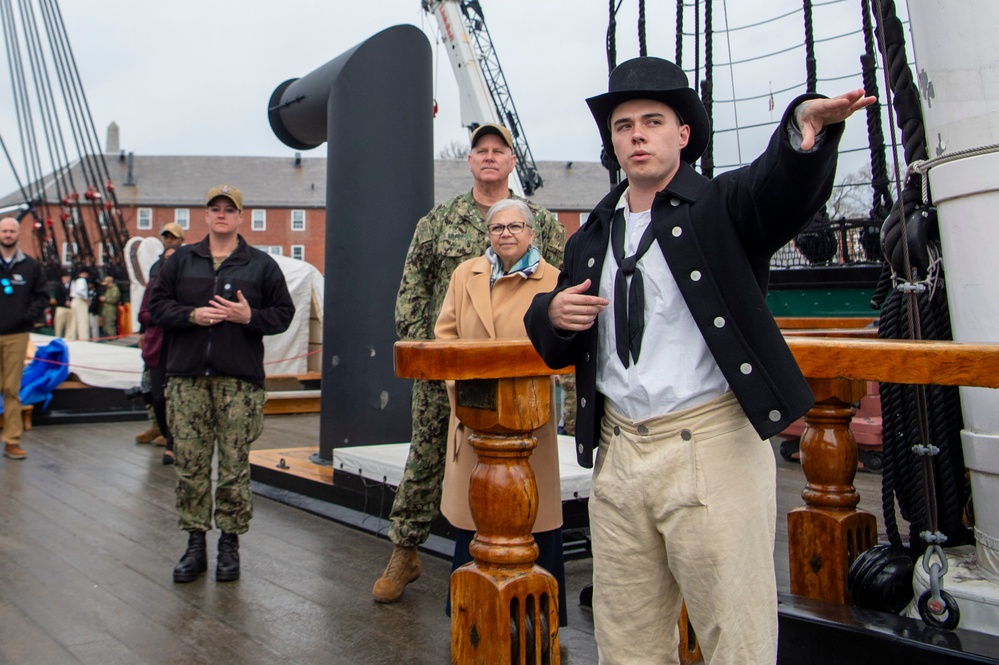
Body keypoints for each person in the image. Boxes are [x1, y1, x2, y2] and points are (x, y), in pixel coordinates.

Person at [524, 57, 875, 664]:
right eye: (623, 124)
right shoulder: (591, 235)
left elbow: (777, 188)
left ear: (682, 134)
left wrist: (800, 134)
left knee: (734, 638)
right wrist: (551, 315)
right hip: (619, 455)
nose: (636, 134)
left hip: (709, 449)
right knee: (626, 640)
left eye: (653, 121)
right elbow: (552, 323)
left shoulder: (721, 207)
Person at [373, 123, 567, 603]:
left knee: (523, 462)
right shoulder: (438, 222)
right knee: (427, 456)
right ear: (470, 160)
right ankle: (406, 550)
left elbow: (564, 289)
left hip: (520, 374)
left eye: (498, 151)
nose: (488, 157)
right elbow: (412, 289)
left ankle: (525, 553)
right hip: (448, 365)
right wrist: (428, 358)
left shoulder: (539, 222)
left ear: (511, 162)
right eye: (480, 150)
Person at [148, 184, 294, 583]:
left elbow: (283, 314)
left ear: (241, 217)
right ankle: (195, 543)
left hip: (239, 384)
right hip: (187, 380)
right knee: (190, 467)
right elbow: (155, 307)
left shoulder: (261, 265)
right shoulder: (179, 263)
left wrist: (249, 317)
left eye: (230, 209)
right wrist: (191, 316)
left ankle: (229, 543)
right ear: (206, 215)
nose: (222, 215)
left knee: (233, 469)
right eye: (215, 209)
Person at [435, 198, 568, 625]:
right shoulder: (465, 275)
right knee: (473, 517)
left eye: (515, 226)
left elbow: (563, 345)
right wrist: (462, 391)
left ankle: (537, 618)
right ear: (487, 235)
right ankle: (471, 614)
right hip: (474, 414)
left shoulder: (555, 280)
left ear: (532, 232)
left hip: (530, 418)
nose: (506, 234)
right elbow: (445, 337)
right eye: (497, 228)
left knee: (534, 514)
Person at [0, 217, 48, 460]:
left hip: (16, 335)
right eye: (4, 230)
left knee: (11, 388)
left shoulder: (30, 266)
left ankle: (12, 440)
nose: (8, 234)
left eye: (11, 230)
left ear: (18, 234)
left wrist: (25, 317)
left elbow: (42, 296)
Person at [135, 222, 186, 445]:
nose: (168, 240)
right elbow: (146, 305)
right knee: (150, 386)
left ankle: (172, 433)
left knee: (173, 389)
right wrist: (143, 331)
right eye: (166, 237)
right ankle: (158, 424)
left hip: (175, 340)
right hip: (155, 338)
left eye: (173, 237)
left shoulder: (187, 266)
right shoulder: (156, 269)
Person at [138, 246, 177, 464]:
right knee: (157, 396)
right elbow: (143, 313)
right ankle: (164, 431)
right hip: (158, 346)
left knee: (177, 397)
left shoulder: (184, 286)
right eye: (167, 258)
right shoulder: (153, 285)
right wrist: (162, 315)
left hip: (181, 346)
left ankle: (172, 444)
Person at [67, 268, 91, 340]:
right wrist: (86, 299)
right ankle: (83, 338)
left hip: (74, 301)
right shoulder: (82, 280)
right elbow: (80, 291)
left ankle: (72, 337)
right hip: (80, 301)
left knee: (73, 321)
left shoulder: (74, 280)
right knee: (82, 321)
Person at [51, 272, 74, 339]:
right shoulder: (59, 286)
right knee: (59, 325)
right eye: (65, 277)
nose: (66, 279)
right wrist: (64, 302)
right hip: (61, 307)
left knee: (69, 326)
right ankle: (57, 338)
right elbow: (57, 296)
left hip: (70, 308)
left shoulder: (71, 286)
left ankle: (68, 339)